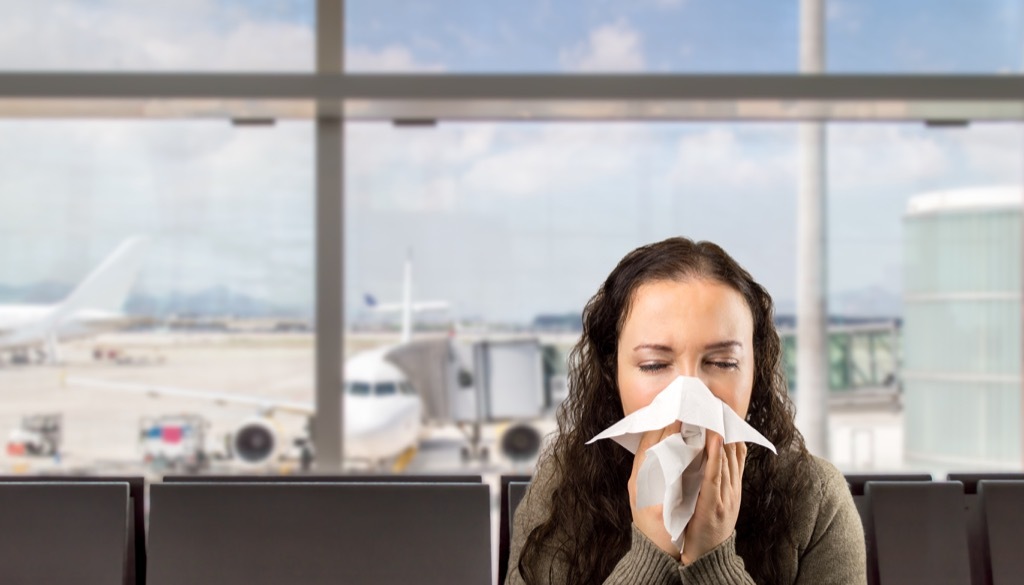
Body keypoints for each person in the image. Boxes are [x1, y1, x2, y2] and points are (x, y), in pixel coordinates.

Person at [506, 237, 865, 584]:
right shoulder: (563, 485)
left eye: (723, 362)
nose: (688, 397)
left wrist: (714, 560)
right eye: (653, 365)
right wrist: (650, 552)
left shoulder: (814, 498)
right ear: (611, 370)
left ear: (757, 369)